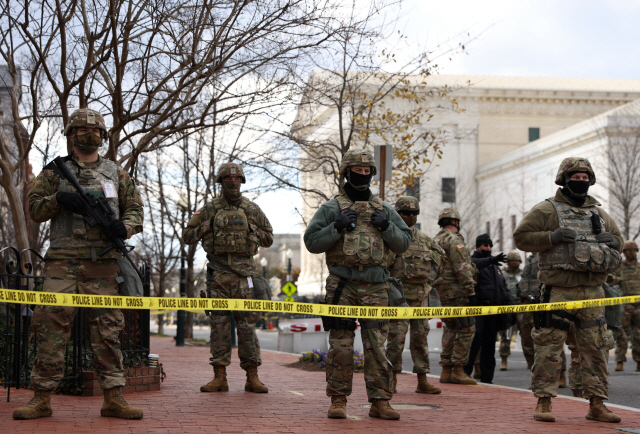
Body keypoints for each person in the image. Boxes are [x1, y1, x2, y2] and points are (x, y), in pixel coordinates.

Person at [14, 109, 144, 420]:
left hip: (103, 266)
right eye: (83, 129)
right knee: (50, 328)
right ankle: (41, 398)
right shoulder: (53, 173)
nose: (90, 134)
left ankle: (113, 397)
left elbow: (135, 211)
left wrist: (123, 228)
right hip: (62, 263)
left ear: (103, 135)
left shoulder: (116, 173)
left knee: (108, 331)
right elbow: (33, 210)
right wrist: (59, 199)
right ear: (71, 135)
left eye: (95, 130)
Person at [304, 149, 412, 420]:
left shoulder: (385, 209)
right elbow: (311, 242)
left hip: (376, 288)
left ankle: (380, 401)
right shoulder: (331, 208)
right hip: (343, 286)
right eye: (357, 170)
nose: (362, 175)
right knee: (340, 345)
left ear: (372, 174)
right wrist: (336, 228)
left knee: (376, 345)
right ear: (346, 172)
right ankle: (338, 399)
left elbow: (404, 243)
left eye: (367, 171)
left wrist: (387, 226)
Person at [514, 157, 623, 423]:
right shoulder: (547, 210)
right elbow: (521, 237)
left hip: (593, 291)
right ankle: (544, 402)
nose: (581, 181)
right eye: (576, 177)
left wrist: (614, 241)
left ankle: (597, 404)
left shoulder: (598, 212)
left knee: (596, 348)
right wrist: (551, 237)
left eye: (585, 177)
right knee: (549, 347)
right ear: (564, 179)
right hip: (559, 289)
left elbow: (617, 242)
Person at [183, 163, 273, 395]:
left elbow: (269, 238)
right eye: (227, 178)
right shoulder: (210, 208)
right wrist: (208, 225)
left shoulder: (252, 209)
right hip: (219, 275)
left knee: (246, 327)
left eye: (236, 178)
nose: (232, 182)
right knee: (219, 326)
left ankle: (252, 376)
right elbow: (187, 236)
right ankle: (219, 377)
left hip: (245, 276)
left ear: (242, 181)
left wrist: (251, 230)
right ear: (221, 181)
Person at [386, 196, 444, 395]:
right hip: (398, 299)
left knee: (421, 341)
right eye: (405, 213)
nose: (410, 217)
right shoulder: (391, 238)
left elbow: (439, 260)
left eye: (414, 213)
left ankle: (422, 379)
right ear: (397, 214)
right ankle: (391, 378)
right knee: (395, 340)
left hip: (420, 298)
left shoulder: (425, 239)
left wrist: (429, 281)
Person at [433, 208, 478, 386]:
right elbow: (462, 267)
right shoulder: (454, 240)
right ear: (456, 222)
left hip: (441, 292)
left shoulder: (435, 240)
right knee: (466, 328)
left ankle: (446, 370)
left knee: (450, 328)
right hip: (457, 291)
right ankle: (458, 370)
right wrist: (470, 291)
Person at [463, 234, 511, 384]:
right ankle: (465, 374)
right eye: (485, 246)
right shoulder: (473, 262)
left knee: (489, 348)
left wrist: (510, 307)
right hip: (478, 310)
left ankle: (487, 379)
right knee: (474, 344)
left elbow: (502, 287)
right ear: (478, 246)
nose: (488, 248)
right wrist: (491, 259)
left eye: (490, 246)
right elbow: (473, 265)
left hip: (493, 312)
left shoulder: (495, 267)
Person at [519, 253, 568, 388]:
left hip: (543, 301)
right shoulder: (529, 260)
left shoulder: (548, 253)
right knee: (527, 340)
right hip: (526, 304)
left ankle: (560, 374)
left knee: (550, 338)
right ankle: (535, 377)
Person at [609, 240, 640, 372]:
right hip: (625, 306)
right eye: (629, 250)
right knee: (622, 335)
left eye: (634, 250)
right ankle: (619, 361)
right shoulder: (620, 268)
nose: (632, 252)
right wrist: (618, 280)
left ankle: (639, 362)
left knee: (638, 335)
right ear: (624, 252)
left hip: (639, 306)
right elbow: (609, 279)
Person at [499, 251, 523, 371]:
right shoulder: (502, 274)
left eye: (516, 260)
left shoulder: (523, 274)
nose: (514, 263)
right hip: (507, 309)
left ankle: (531, 360)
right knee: (506, 336)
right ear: (508, 262)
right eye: (512, 261)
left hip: (522, 308)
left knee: (527, 335)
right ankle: (504, 360)